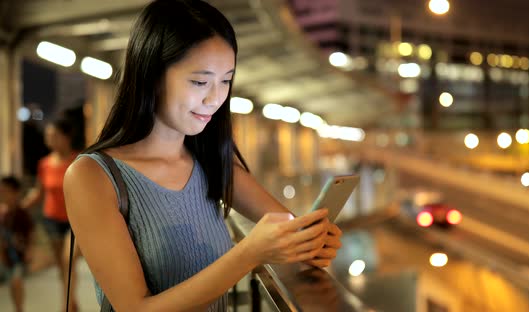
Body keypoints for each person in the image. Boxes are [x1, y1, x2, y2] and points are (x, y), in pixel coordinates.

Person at [63, 0, 343, 311]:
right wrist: (250, 252)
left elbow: (284, 227)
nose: (215, 99)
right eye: (199, 82)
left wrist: (309, 241)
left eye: (225, 81)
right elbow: (134, 308)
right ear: (152, 75)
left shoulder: (212, 160)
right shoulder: (92, 176)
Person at [21, 117, 80, 312]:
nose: (50, 139)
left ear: (66, 136)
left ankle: (66, 306)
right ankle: (71, 302)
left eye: (54, 135)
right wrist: (19, 206)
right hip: (52, 219)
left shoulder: (79, 160)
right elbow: (39, 193)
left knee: (68, 261)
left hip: (75, 221)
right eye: (48, 135)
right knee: (62, 268)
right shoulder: (44, 164)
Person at [0, 176, 34, 312]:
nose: (2, 195)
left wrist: (29, 251)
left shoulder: (22, 213)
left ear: (16, 192)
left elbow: (31, 233)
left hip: (18, 255)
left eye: (5, 191)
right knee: (12, 285)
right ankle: (17, 307)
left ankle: (19, 308)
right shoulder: (2, 213)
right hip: (5, 256)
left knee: (16, 282)